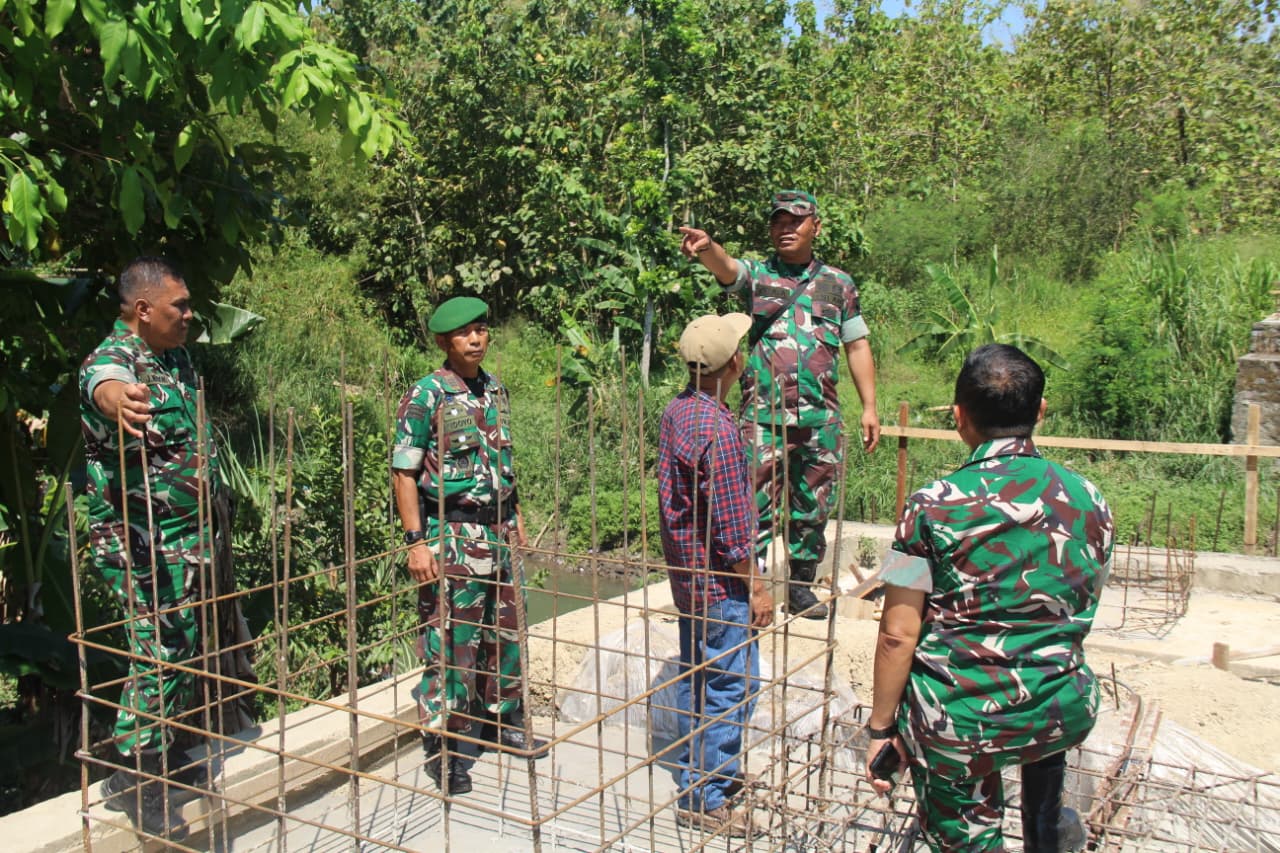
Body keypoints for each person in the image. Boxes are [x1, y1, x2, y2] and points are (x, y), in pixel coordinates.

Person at [864, 344, 1114, 853]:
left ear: (959, 417)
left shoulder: (929, 506)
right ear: (1039, 412)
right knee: (1041, 770)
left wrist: (882, 727)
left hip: (962, 718)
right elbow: (1079, 603)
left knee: (968, 838)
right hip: (1059, 706)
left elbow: (897, 633)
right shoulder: (1089, 497)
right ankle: (1046, 830)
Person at [679, 191, 880, 620]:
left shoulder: (838, 284)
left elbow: (857, 345)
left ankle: (801, 587)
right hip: (763, 418)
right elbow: (727, 267)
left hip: (820, 418)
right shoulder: (759, 276)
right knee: (753, 505)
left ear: (816, 227)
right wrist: (706, 248)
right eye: (778, 222)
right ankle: (752, 590)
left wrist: (869, 406)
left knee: (813, 506)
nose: (785, 229)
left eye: (795, 221)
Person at [80, 256, 223, 840]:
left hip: (183, 540)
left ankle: (147, 753)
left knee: (180, 644)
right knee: (157, 647)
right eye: (179, 306)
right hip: (138, 542)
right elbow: (103, 386)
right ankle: (139, 776)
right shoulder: (116, 360)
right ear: (143, 311)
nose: (189, 315)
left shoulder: (176, 358)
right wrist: (118, 401)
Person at [392, 296, 542, 796]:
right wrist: (416, 542)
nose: (476, 339)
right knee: (451, 641)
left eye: (481, 329)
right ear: (443, 342)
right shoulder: (426, 396)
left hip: (497, 532)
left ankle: (504, 718)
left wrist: (516, 514)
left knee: (507, 632)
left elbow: (503, 458)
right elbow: (404, 472)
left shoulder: (494, 389)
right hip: (452, 534)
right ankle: (446, 746)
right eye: (464, 333)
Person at [657, 312, 775, 838]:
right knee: (733, 683)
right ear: (733, 362)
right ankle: (705, 796)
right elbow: (731, 533)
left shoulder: (679, 410)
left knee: (699, 676)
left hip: (688, 577)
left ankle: (702, 774)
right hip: (719, 582)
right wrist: (759, 588)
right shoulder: (719, 434)